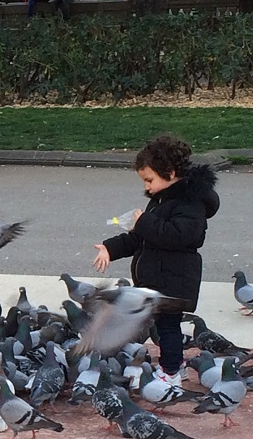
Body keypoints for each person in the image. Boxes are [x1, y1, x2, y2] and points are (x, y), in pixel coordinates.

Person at [92, 135, 219, 385]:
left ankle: (170, 374)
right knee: (164, 327)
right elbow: (140, 237)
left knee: (168, 328)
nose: (147, 187)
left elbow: (179, 236)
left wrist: (145, 222)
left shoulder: (190, 203)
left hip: (174, 279)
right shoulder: (161, 201)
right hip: (161, 278)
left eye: (149, 180)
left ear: (170, 173)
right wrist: (110, 247)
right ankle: (176, 366)